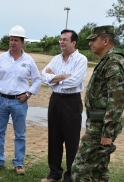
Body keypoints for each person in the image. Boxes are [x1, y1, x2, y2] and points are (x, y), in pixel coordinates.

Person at [71, 25, 124, 181]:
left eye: (93, 39)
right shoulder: (107, 61)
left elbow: (116, 100)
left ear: (105, 41)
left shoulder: (113, 62)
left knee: (80, 168)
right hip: (98, 122)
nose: (90, 43)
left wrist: (107, 133)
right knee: (98, 170)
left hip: (101, 127)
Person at [0, 25, 41, 175]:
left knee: (20, 134)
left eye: (16, 40)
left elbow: (37, 79)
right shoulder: (1, 58)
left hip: (19, 101)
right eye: (11, 39)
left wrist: (28, 93)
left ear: (23, 42)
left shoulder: (28, 60)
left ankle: (19, 163)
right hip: (1, 100)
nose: (13, 42)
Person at [41, 29, 88, 182]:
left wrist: (53, 78)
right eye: (60, 39)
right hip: (55, 100)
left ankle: (70, 176)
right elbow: (43, 76)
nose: (61, 42)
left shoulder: (81, 60)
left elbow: (75, 81)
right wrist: (62, 77)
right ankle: (54, 174)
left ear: (73, 42)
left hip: (71, 102)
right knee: (54, 138)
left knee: (71, 140)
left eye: (65, 39)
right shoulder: (56, 59)